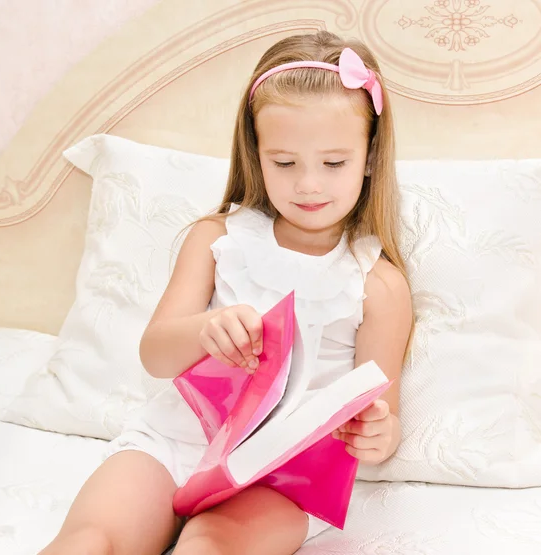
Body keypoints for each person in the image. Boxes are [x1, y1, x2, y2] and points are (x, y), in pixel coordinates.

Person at [40, 31, 413, 555]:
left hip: (279, 476)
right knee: (88, 541)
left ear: (370, 157)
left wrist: (379, 434)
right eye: (285, 162)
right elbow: (155, 354)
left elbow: (383, 416)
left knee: (209, 548)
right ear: (255, 153)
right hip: (175, 444)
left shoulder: (377, 284)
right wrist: (205, 331)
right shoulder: (218, 239)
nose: (308, 185)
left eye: (333, 164)